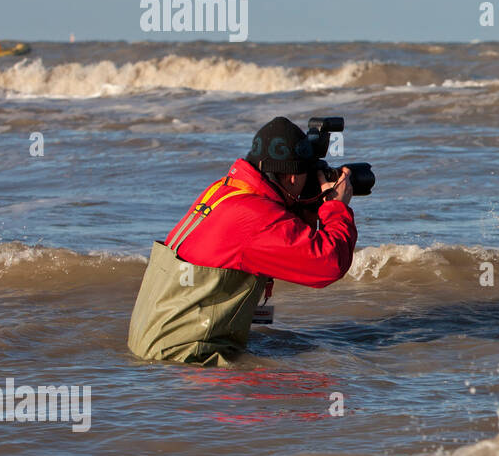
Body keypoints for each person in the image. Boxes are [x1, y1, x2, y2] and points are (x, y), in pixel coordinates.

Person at [127, 116, 358, 365]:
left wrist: (308, 206)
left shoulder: (226, 190)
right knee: (310, 392)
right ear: (292, 177)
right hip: (185, 359)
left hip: (155, 347)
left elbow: (280, 235)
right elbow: (327, 265)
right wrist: (335, 206)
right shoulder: (253, 217)